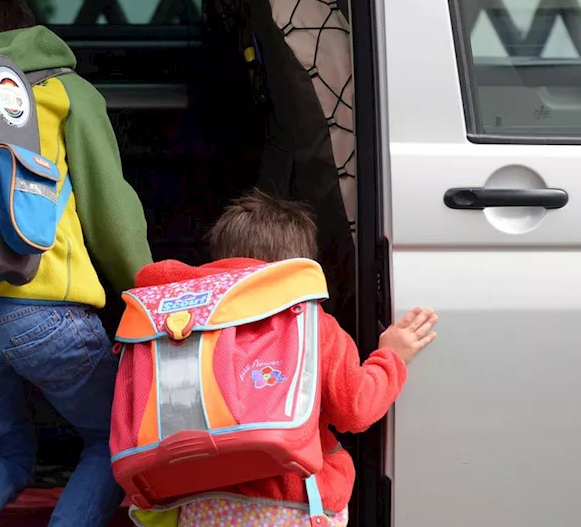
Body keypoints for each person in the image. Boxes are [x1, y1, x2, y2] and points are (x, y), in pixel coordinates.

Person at [0, 0, 153, 527]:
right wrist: (149, 289)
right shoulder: (61, 91)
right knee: (114, 438)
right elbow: (110, 211)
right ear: (27, 29)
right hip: (47, 310)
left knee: (2, 452)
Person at [129, 188, 437, 526]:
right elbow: (355, 408)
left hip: (199, 505)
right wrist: (390, 357)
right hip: (291, 505)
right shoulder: (312, 325)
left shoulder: (182, 326)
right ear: (297, 268)